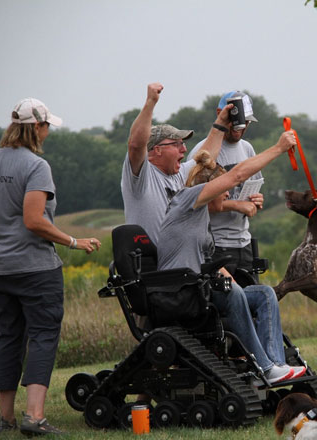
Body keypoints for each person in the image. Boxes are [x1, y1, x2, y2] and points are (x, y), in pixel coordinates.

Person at [0, 98, 102, 436]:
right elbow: (34, 220)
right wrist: (74, 242)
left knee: (10, 336)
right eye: (46, 127)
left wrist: (0, 246)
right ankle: (35, 416)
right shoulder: (35, 165)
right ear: (37, 127)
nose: (47, 132)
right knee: (43, 335)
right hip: (35, 269)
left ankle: (6, 418)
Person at [156, 142, 306, 384]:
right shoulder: (186, 199)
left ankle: (277, 365)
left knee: (264, 294)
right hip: (181, 293)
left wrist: (225, 274)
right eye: (224, 190)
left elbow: (207, 260)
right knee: (232, 290)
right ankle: (265, 367)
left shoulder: (201, 220)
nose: (227, 195)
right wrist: (279, 148)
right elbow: (238, 174)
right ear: (209, 188)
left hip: (198, 288)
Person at [121, 82, 231, 244]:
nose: (184, 149)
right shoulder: (142, 177)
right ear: (157, 150)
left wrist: (222, 122)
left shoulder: (179, 174)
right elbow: (136, 145)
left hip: (176, 264)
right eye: (177, 144)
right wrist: (150, 103)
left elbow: (206, 155)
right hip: (150, 265)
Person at [187, 91, 263, 279]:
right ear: (221, 113)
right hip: (215, 245)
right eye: (237, 120)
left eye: (247, 122)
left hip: (243, 243)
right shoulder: (203, 153)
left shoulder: (247, 148)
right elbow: (194, 201)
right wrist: (237, 205)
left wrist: (256, 201)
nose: (241, 126)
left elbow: (253, 187)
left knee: (251, 302)